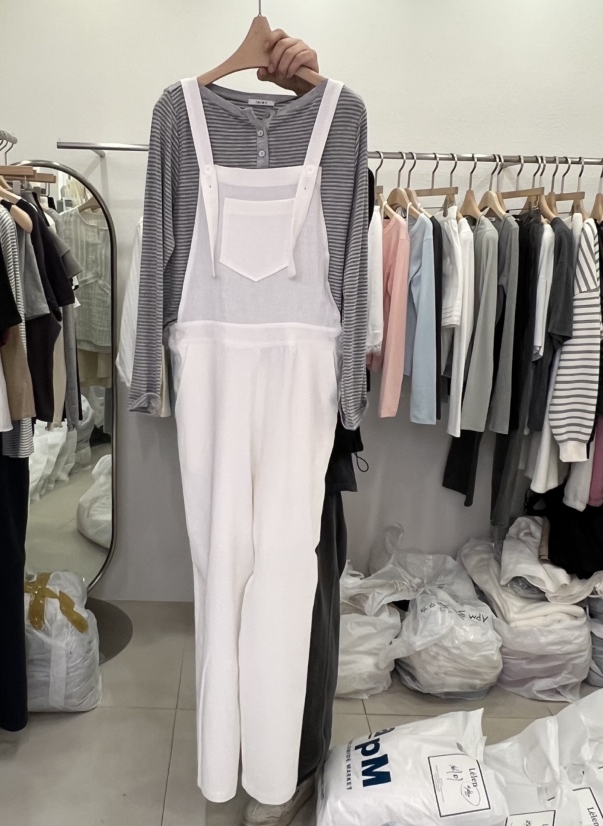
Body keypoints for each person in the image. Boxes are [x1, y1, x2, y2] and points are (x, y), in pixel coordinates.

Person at [241, 28, 353, 826]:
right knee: (239, 591)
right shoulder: (197, 155)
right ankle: (252, 750)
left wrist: (316, 91)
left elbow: (350, 257)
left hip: (310, 430)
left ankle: (297, 765)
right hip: (231, 423)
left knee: (302, 598)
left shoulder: (336, 173)